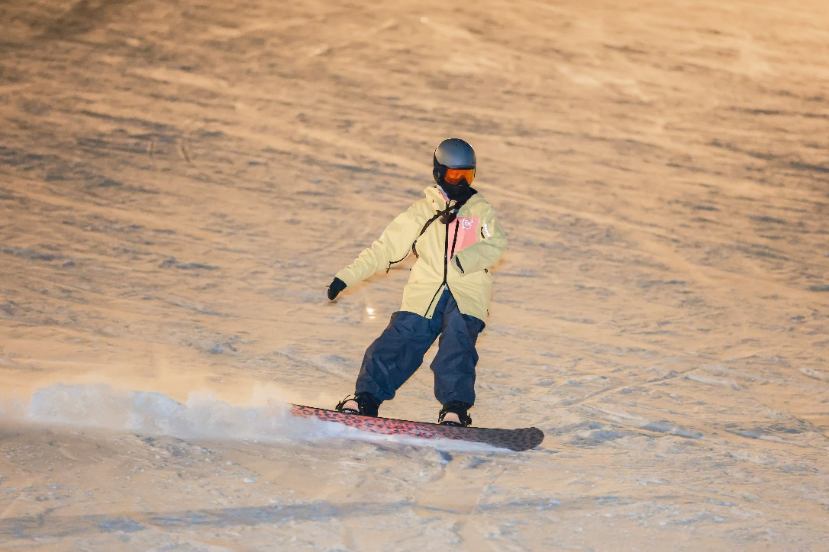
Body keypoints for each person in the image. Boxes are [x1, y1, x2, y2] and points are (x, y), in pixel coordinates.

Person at [326, 138, 507, 426]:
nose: (460, 183)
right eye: (453, 175)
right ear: (439, 172)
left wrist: (465, 260)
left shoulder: (479, 210)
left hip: (469, 293)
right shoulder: (422, 212)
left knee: (456, 348)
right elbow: (385, 249)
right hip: (424, 294)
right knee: (398, 341)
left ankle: (455, 409)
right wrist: (346, 277)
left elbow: (496, 243)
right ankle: (366, 399)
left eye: (467, 176)